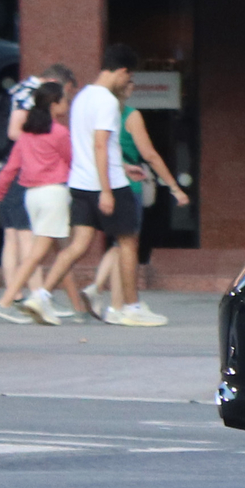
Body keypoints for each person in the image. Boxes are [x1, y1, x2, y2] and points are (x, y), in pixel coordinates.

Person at [38, 45, 168, 328]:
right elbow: (100, 145)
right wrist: (108, 189)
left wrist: (121, 166)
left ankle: (41, 295)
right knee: (128, 242)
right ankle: (130, 307)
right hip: (109, 184)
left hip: (81, 183)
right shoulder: (107, 101)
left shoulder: (81, 97)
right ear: (122, 72)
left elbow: (86, 145)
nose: (128, 82)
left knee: (79, 245)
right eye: (129, 76)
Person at [87, 76, 188, 314]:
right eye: (130, 83)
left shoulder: (99, 113)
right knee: (128, 244)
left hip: (103, 182)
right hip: (129, 185)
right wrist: (174, 187)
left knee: (119, 243)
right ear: (126, 90)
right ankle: (113, 299)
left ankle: (111, 299)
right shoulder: (130, 115)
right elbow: (150, 154)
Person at [0, 83, 72, 324]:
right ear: (54, 104)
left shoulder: (27, 135)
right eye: (63, 100)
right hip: (53, 193)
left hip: (31, 195)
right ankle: (9, 301)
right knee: (37, 255)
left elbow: (10, 169)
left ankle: (42, 301)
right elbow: (73, 161)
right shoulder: (59, 132)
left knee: (53, 250)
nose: (67, 104)